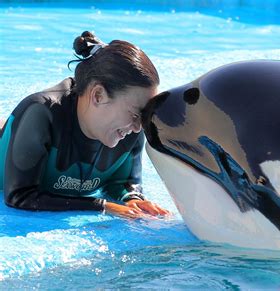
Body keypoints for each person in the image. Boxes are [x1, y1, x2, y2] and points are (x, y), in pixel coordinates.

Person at [0, 31, 169, 219]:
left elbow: (122, 181)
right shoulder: (40, 113)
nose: (138, 128)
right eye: (136, 114)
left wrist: (131, 199)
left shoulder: (129, 130)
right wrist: (103, 207)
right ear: (98, 95)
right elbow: (20, 196)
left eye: (143, 117)